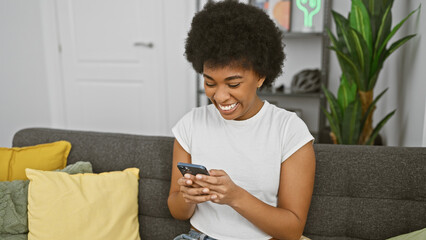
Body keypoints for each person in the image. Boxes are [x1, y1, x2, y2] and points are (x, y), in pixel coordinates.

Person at [168, 1, 316, 240]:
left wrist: (236, 197)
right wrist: (188, 197)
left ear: (260, 76)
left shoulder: (289, 130)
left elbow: (292, 229)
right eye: (209, 83)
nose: (220, 96)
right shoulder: (190, 124)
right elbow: (177, 211)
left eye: (233, 84)